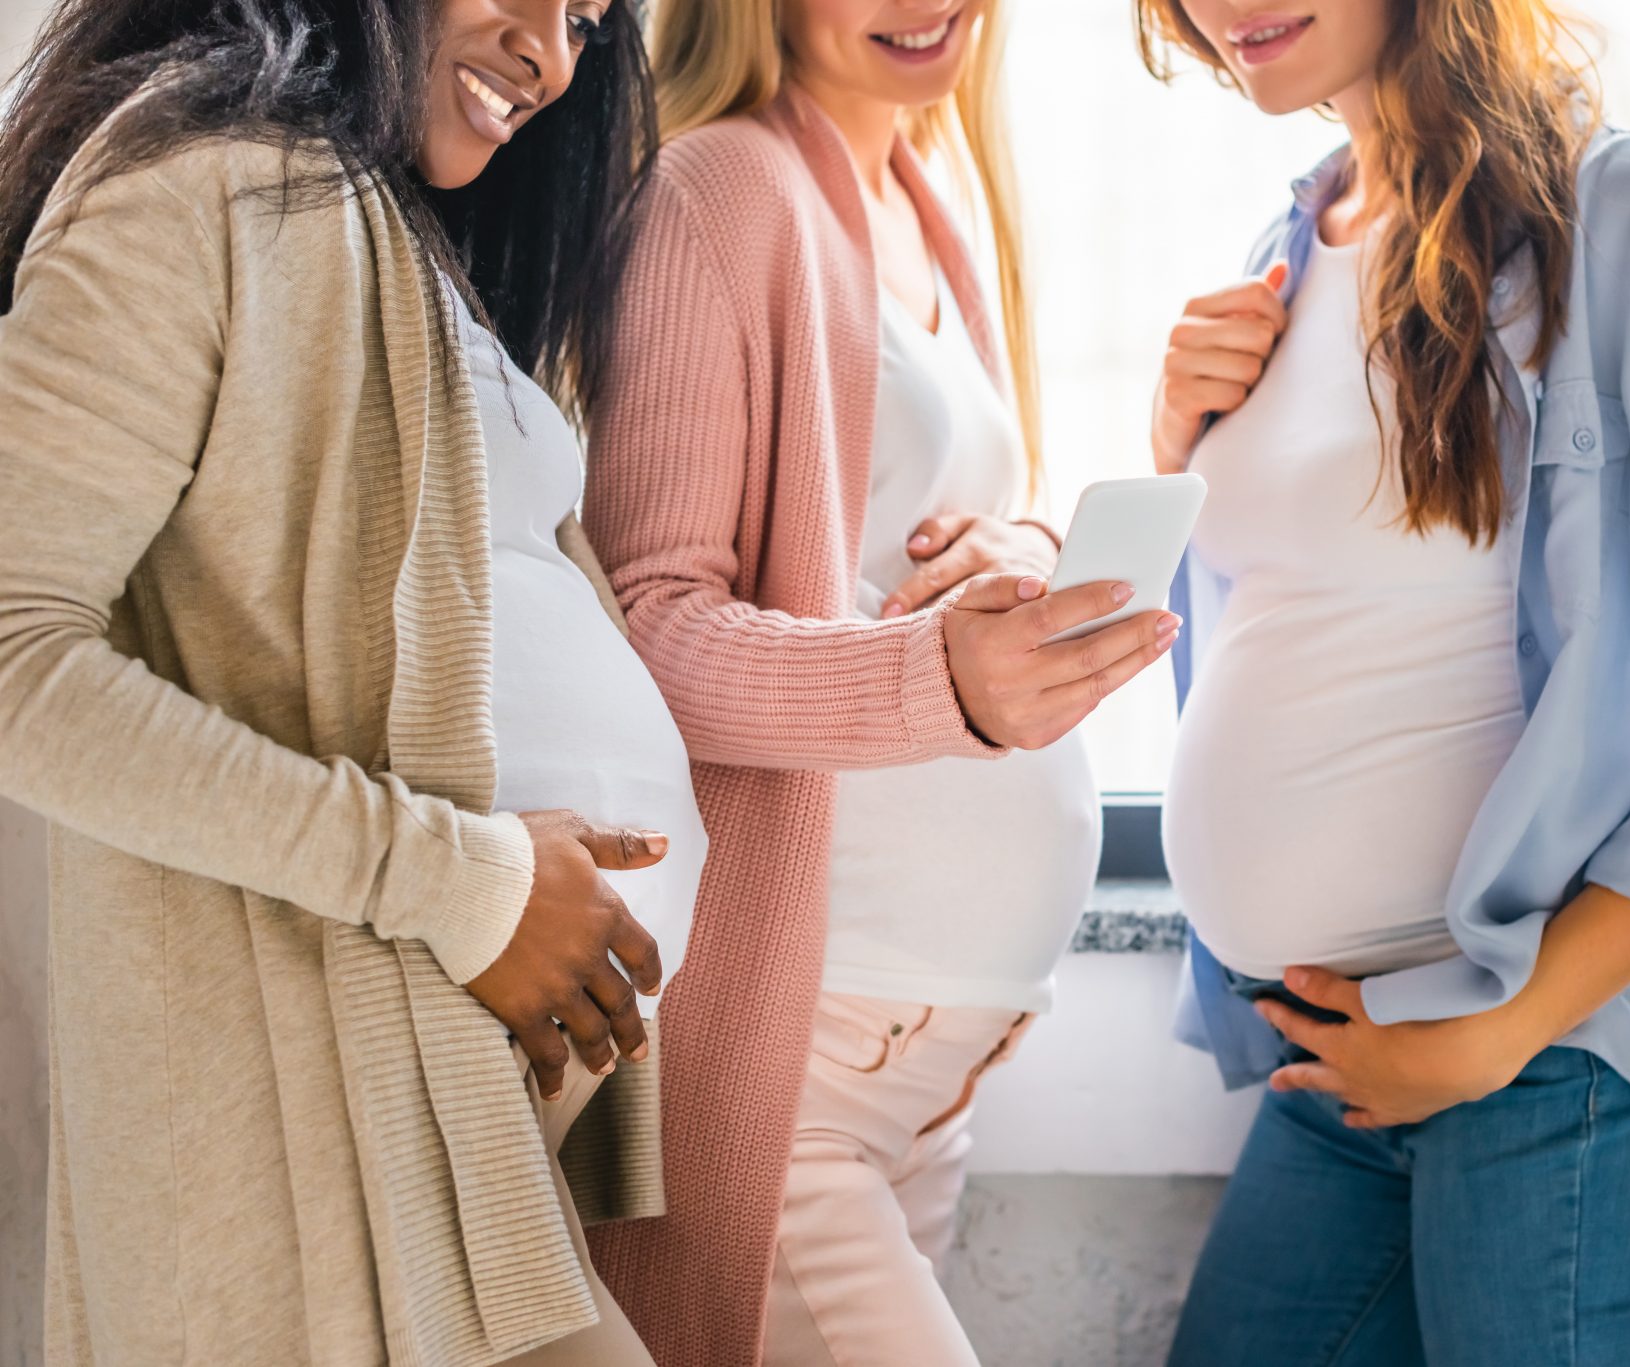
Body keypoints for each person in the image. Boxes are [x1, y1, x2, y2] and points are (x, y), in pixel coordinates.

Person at [1134, 1, 1630, 1362]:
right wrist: (1174, 446)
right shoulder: (1286, 247)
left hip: (1559, 1061)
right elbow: (1302, 629)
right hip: (1335, 1058)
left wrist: (1502, 1029)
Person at [0, 1, 702, 1362]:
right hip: (313, 1126)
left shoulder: (382, 228)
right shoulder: (196, 186)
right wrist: (465, 881)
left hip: (439, 1102)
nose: (556, 58)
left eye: (588, 19)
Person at [578, 2, 1175, 1361]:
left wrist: (1020, 544)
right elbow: (648, 627)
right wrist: (942, 686)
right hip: (797, 1068)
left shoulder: (922, 192)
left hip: (915, 1077)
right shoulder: (718, 187)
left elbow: (896, 547)